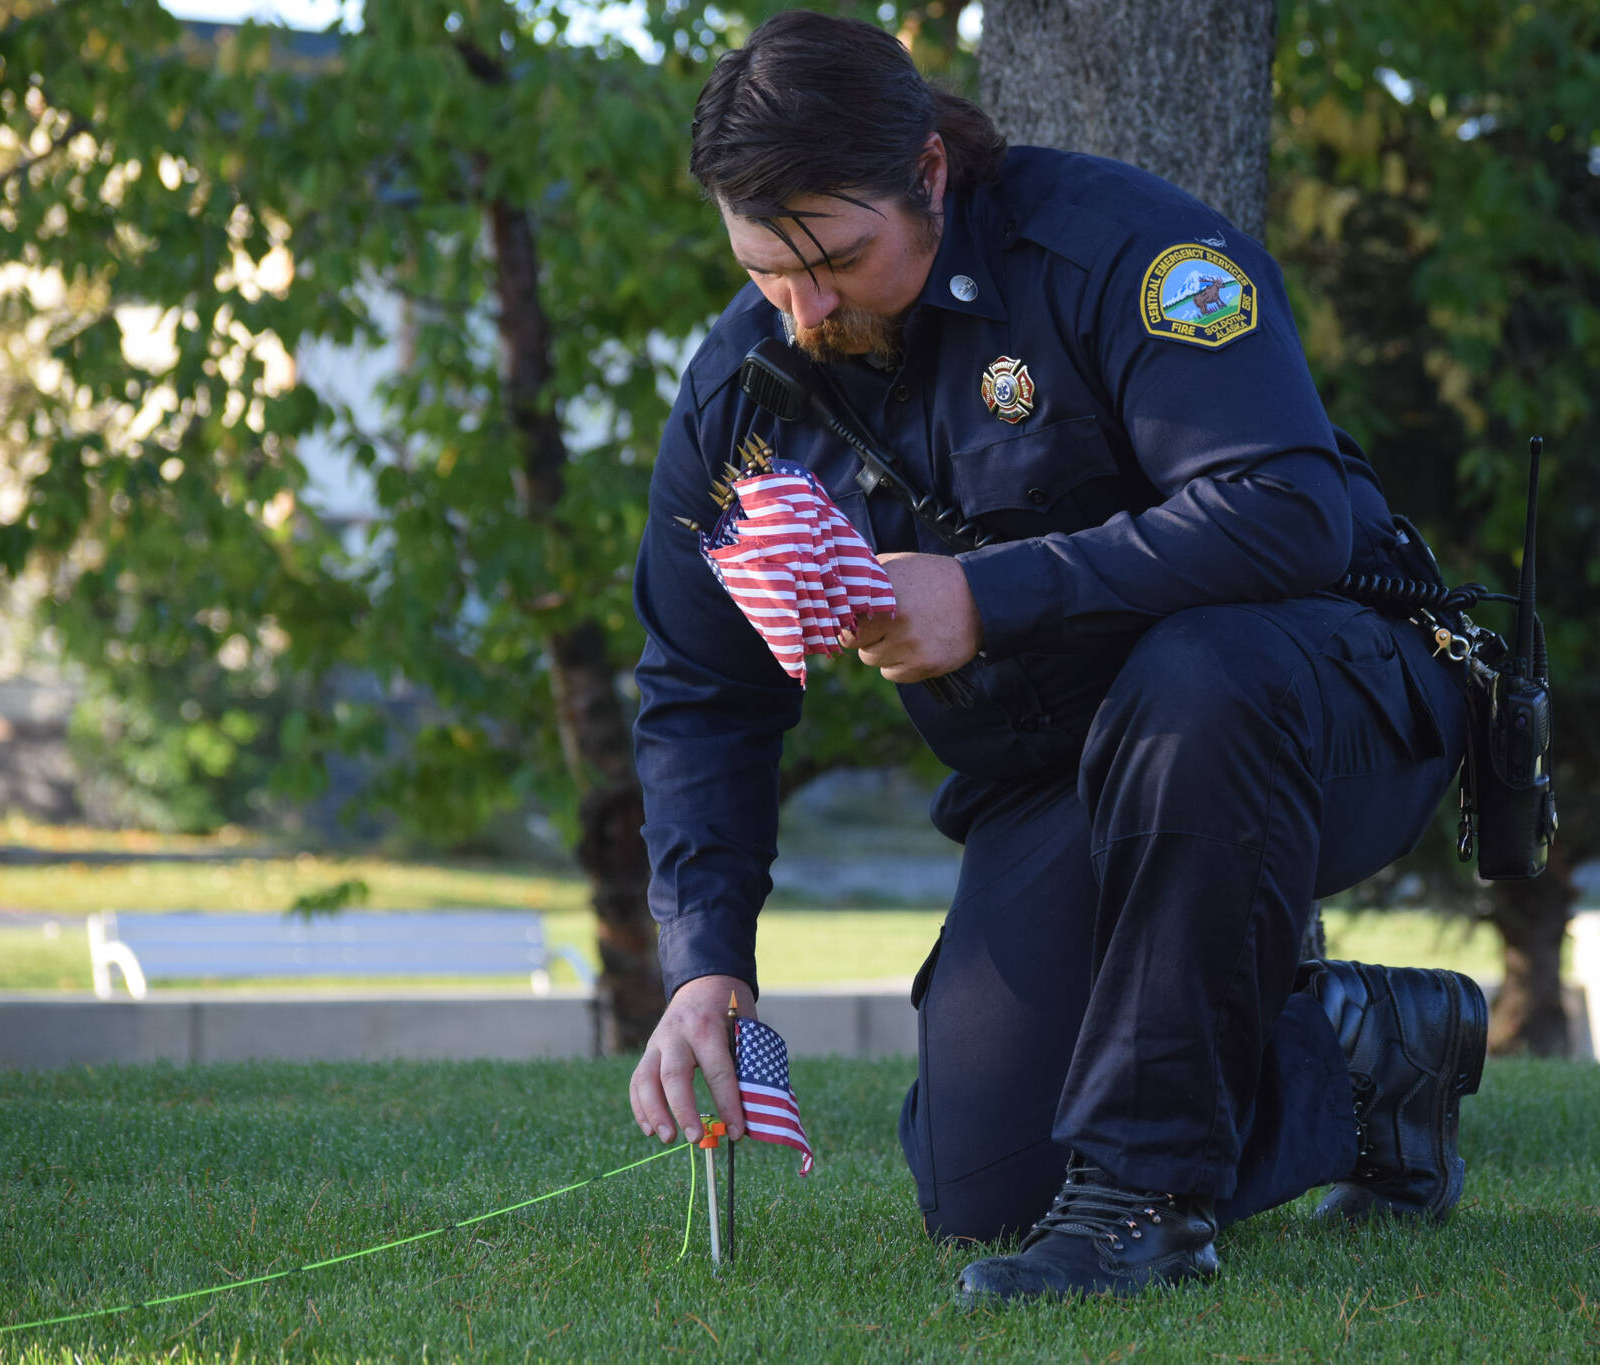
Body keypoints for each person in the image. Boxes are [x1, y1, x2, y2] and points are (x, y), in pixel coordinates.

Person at [626, 10, 1486, 1305]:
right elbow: (700, 687)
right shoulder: (747, 386)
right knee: (984, 1188)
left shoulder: (1126, 253)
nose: (803, 313)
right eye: (764, 270)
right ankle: (1365, 1052)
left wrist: (987, 595)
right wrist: (707, 957)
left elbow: (1288, 512)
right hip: (1075, 775)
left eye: (841, 261)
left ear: (928, 174)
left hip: (1331, 703)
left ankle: (1147, 1204)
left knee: (1197, 679)